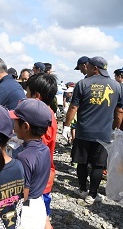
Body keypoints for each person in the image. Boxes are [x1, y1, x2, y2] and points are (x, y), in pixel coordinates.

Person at [63, 56, 123, 204]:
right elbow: (119, 111)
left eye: (88, 67)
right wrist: (115, 128)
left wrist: (66, 125)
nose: (86, 70)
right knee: (98, 164)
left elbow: (73, 107)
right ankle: (93, 194)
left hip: (83, 131)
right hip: (104, 133)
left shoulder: (82, 84)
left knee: (82, 162)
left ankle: (83, 189)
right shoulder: (117, 86)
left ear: (95, 68)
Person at [9, 98, 52, 229]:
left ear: (26, 126)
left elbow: (23, 194)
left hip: (26, 212)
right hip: (39, 205)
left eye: (16, 121)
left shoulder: (24, 156)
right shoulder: (44, 149)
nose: (13, 125)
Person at [25, 73, 58, 229]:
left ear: (36, 96)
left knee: (40, 219)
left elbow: (37, 151)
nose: (25, 96)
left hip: (38, 181)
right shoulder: (48, 113)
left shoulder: (43, 119)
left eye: (27, 93)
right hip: (42, 178)